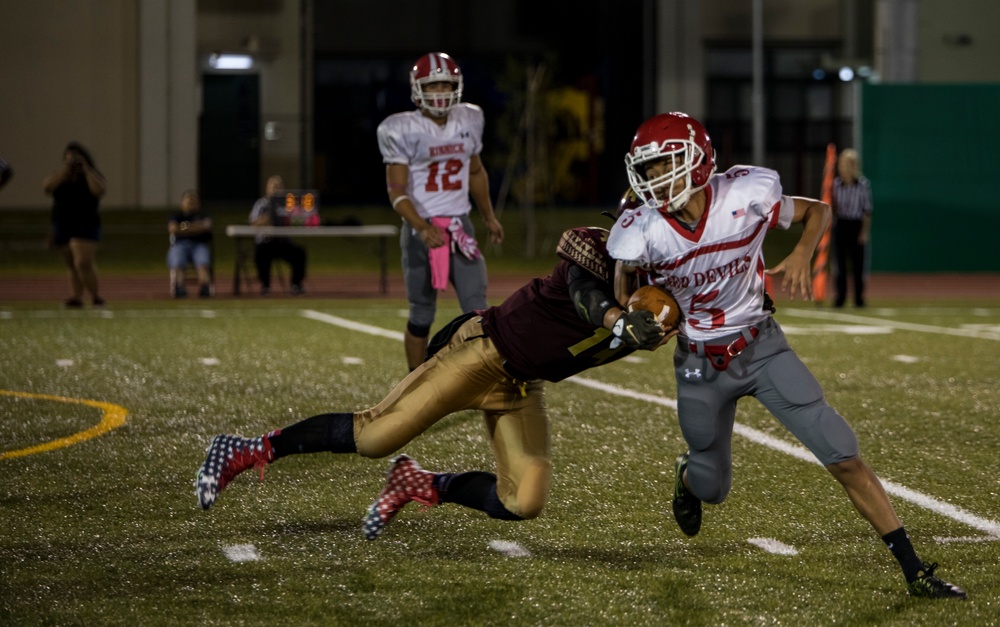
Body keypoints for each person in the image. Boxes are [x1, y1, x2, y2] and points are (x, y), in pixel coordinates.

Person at [606, 112, 965, 600]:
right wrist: (634, 313)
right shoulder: (643, 226)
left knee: (842, 452)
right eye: (647, 170)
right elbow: (626, 283)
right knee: (712, 486)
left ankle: (914, 569)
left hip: (760, 345)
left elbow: (819, 210)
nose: (654, 179)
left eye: (663, 164)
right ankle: (687, 479)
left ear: (697, 160)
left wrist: (801, 253)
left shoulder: (742, 194)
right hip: (699, 362)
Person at [194, 226, 669, 541]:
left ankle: (421, 482)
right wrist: (617, 319)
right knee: (375, 436)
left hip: (522, 384)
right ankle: (246, 449)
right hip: (482, 351)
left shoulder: (665, 301)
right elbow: (586, 296)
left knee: (524, 500)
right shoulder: (594, 254)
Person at [377, 51, 505, 371]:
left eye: (446, 85)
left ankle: (480, 374)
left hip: (460, 229)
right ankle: (414, 381)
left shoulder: (469, 118)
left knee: (477, 309)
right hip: (422, 230)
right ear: (418, 90)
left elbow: (475, 172)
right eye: (433, 87)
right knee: (422, 313)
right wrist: (421, 226)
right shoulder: (401, 128)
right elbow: (397, 193)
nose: (440, 93)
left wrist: (488, 216)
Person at [43, 142, 106, 308]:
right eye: (69, 157)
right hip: (62, 222)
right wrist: (65, 170)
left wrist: (86, 170)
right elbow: (47, 187)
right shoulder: (60, 176)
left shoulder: (91, 175)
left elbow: (99, 191)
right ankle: (77, 297)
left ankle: (96, 297)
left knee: (82, 262)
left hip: (86, 222)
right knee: (71, 264)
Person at [249, 175, 307, 295]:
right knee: (261, 254)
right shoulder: (261, 204)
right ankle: (265, 286)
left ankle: (296, 285)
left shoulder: (288, 205)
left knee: (299, 254)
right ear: (267, 188)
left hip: (283, 243)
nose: (276, 190)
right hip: (266, 242)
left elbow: (298, 221)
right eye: (273, 187)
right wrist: (269, 217)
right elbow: (253, 222)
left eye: (278, 187)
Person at [831, 148, 873, 308]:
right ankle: (840, 297)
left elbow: (867, 211)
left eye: (848, 164)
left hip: (856, 225)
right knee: (839, 264)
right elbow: (831, 207)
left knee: (858, 265)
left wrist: (863, 232)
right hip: (841, 224)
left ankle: (859, 298)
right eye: (842, 163)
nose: (844, 167)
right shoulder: (835, 185)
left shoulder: (863, 185)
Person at [167, 189, 213, 298]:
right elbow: (173, 228)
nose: (191, 203)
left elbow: (206, 226)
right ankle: (178, 287)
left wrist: (183, 227)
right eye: (189, 200)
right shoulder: (177, 216)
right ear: (182, 202)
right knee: (178, 261)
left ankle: (205, 287)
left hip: (199, 245)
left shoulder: (203, 215)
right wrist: (195, 226)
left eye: (194, 201)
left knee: (202, 261)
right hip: (180, 245)